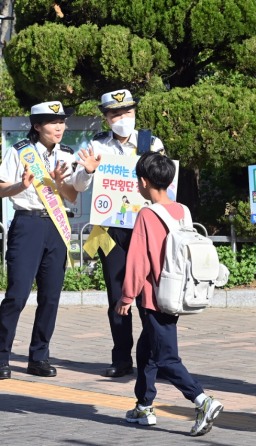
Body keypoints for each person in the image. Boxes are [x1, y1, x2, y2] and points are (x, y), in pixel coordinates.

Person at [115, 151, 222, 436]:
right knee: (147, 350)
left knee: (166, 358)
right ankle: (143, 407)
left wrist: (127, 296)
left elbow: (139, 261)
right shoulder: (182, 210)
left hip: (154, 296)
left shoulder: (147, 215)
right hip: (178, 290)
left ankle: (202, 400)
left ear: (143, 181)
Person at [72, 89, 165, 378]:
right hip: (110, 230)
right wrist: (87, 171)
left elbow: (164, 181)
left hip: (146, 226)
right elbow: (77, 186)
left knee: (150, 296)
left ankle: (154, 357)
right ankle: (122, 358)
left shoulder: (152, 142)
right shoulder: (96, 145)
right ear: (106, 117)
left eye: (127, 112)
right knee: (117, 297)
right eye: (115, 113)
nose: (122, 118)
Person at [0, 101, 78, 379]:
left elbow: (72, 196)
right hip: (28, 223)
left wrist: (58, 182)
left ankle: (39, 357)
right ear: (36, 126)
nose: (59, 127)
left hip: (56, 226)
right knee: (17, 295)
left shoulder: (67, 155)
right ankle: (1, 356)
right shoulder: (19, 152)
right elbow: (0, 188)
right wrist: (21, 185)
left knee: (51, 296)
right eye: (52, 122)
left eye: (62, 121)